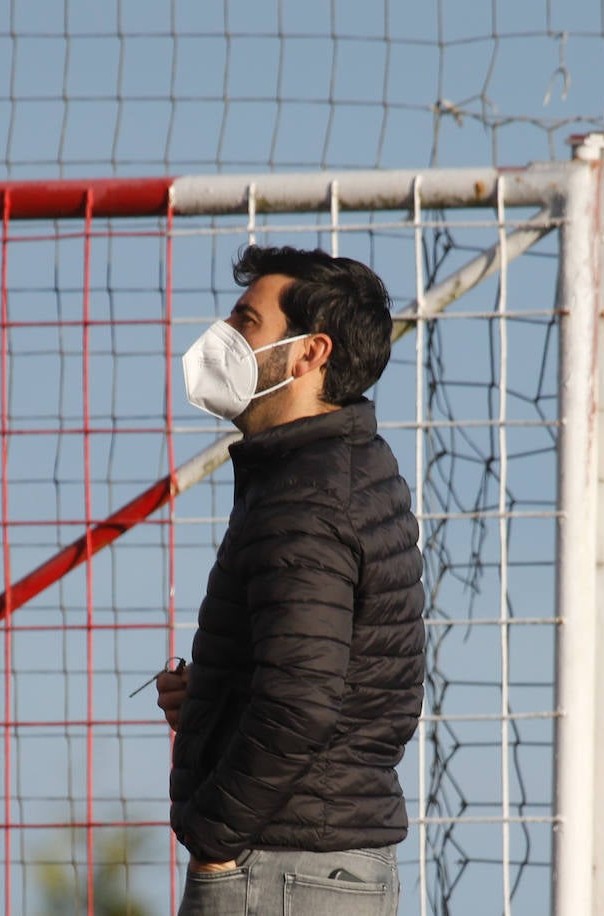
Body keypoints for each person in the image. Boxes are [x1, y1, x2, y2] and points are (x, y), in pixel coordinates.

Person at [154, 246, 425, 915]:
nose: (222, 337)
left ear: (308, 355)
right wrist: (215, 702)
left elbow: (300, 704)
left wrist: (215, 835)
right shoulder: (343, 467)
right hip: (318, 863)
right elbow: (341, 680)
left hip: (282, 871)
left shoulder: (307, 498)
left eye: (246, 321)